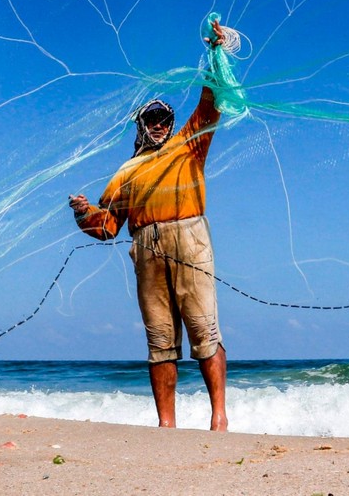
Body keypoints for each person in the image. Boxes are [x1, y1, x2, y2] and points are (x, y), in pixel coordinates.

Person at [68, 21, 229, 431]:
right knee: (160, 340)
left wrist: (217, 52)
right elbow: (107, 227)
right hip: (147, 249)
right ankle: (166, 425)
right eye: (152, 119)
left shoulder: (189, 145)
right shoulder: (125, 171)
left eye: (165, 119)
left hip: (189, 240)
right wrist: (83, 212)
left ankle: (220, 420)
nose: (160, 125)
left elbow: (211, 103)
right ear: (140, 125)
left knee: (203, 330)